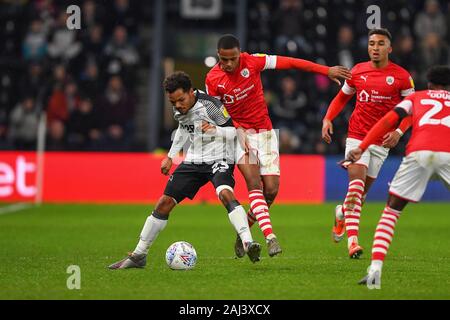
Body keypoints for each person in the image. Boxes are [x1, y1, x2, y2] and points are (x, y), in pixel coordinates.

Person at [205, 34, 351, 258]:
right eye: (224, 60)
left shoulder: (253, 61)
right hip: (238, 135)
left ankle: (244, 229)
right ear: (218, 56)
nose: (228, 64)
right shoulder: (213, 79)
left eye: (233, 59)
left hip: (264, 133)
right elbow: (216, 113)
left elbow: (290, 62)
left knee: (271, 190)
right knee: (254, 181)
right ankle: (270, 237)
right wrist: (236, 130)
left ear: (239, 54)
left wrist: (326, 70)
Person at [109, 71, 261, 269]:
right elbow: (183, 129)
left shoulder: (211, 106)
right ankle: (139, 255)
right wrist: (170, 157)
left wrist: (215, 130)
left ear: (191, 92)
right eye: (173, 102)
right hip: (194, 159)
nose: (178, 105)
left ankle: (248, 242)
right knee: (164, 203)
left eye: (181, 99)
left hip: (219, 157)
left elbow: (235, 132)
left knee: (224, 193)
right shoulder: (179, 110)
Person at [346, 65, 450, 289]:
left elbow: (386, 120)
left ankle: (375, 270)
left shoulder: (417, 98)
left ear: (429, 84)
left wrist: (362, 146)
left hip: (419, 152)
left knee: (392, 210)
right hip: (448, 153)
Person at [322, 28, 415, 258]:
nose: (375, 47)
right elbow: (342, 97)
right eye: (372, 43)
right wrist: (327, 118)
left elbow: (413, 110)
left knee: (360, 196)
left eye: (380, 44)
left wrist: (399, 132)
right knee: (355, 187)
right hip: (357, 137)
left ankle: (341, 213)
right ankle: (353, 243)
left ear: (389, 48)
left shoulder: (402, 76)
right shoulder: (357, 71)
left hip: (382, 143)